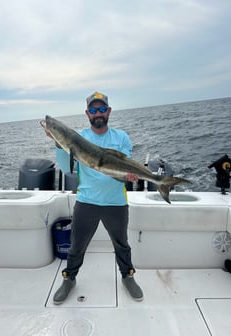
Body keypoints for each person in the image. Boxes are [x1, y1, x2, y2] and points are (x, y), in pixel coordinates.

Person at [49, 91, 143, 304]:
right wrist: (57, 143)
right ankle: (69, 279)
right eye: (93, 110)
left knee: (122, 244)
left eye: (102, 109)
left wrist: (129, 176)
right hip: (87, 201)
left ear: (108, 111)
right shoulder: (79, 137)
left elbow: (125, 167)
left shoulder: (121, 137)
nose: (98, 113)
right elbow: (67, 168)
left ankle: (127, 276)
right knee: (76, 245)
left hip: (116, 202)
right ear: (87, 113)